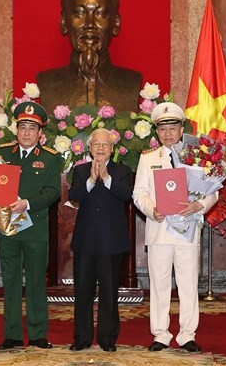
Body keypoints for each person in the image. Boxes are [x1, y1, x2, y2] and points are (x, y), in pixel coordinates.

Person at [132, 102, 218, 353]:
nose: (168, 133)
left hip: (188, 230)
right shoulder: (148, 159)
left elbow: (214, 193)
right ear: (156, 132)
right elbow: (139, 194)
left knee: (188, 283)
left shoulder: (198, 157)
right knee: (159, 284)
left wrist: (199, 205)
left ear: (182, 128)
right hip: (159, 231)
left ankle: (187, 334)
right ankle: (160, 334)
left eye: (173, 127)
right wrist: (152, 210)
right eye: (162, 128)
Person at [0, 101, 62, 350]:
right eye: (22, 127)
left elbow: (53, 192)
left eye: (32, 128)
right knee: (9, 280)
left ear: (41, 133)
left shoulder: (50, 159)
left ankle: (39, 333)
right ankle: (12, 335)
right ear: (16, 130)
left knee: (35, 280)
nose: (26, 132)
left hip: (35, 228)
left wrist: (27, 203)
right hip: (8, 228)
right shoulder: (3, 154)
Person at [67, 128, 133, 353]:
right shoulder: (80, 170)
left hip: (112, 242)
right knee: (83, 292)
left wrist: (105, 179)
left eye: (106, 145)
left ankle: (107, 338)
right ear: (90, 147)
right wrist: (91, 180)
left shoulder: (122, 171)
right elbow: (74, 196)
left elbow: (126, 195)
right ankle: (82, 337)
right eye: (97, 144)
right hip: (85, 241)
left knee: (109, 292)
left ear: (112, 149)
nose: (101, 148)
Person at [37, 0, 142, 113]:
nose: (90, 25)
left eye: (100, 13)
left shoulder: (131, 82)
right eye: (80, 13)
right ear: (64, 22)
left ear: (116, 23)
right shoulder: (47, 83)